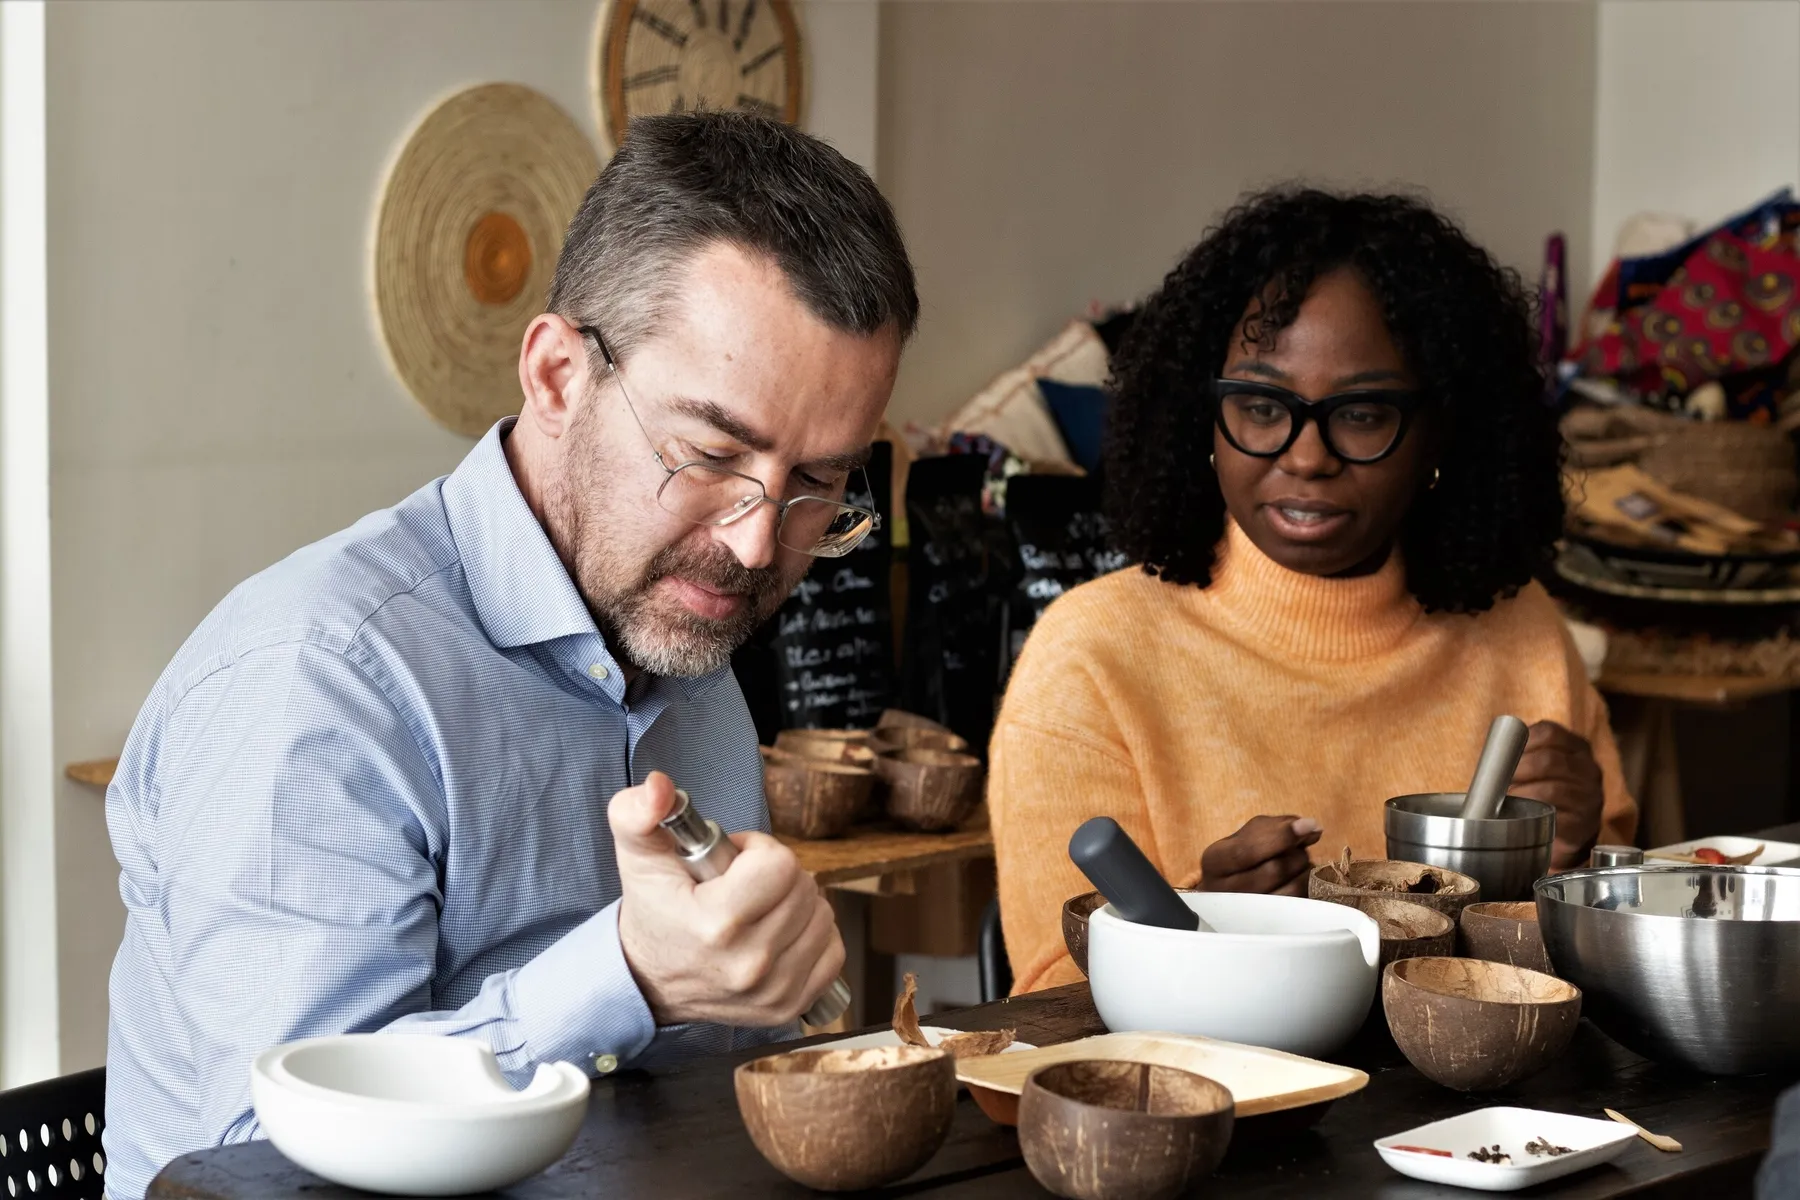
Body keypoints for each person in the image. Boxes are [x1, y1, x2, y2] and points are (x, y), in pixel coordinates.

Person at [103, 112, 917, 1198]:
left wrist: (768, 996)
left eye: (817, 483)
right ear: (556, 376)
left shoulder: (687, 642)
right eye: (710, 452)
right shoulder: (317, 679)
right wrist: (630, 976)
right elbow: (264, 1164)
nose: (756, 544)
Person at [989, 188, 1637, 993]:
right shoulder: (1091, 655)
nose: (1306, 456)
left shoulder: (1522, 631)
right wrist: (1200, 929)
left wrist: (1572, 858)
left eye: (1361, 414)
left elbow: (1617, 951)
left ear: (1440, 434)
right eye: (1262, 406)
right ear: (1202, 420)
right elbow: (1049, 999)